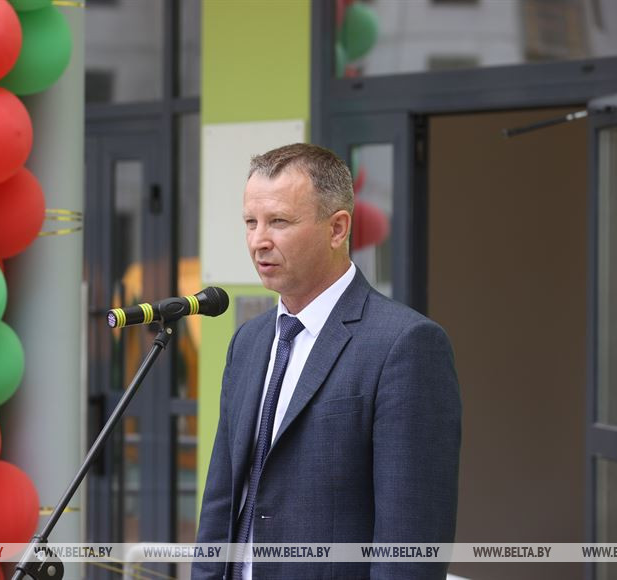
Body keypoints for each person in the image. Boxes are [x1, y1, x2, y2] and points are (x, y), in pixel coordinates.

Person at [193, 143, 461, 580]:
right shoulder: (248, 342)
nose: (259, 240)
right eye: (251, 222)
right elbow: (221, 500)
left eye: (279, 221)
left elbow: (410, 543)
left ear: (337, 229)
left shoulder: (405, 344)